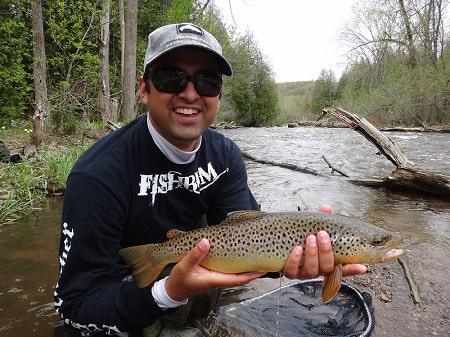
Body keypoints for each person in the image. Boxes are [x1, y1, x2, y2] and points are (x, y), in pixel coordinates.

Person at [54, 23, 366, 336]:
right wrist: (168, 291)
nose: (190, 93)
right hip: (120, 287)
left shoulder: (225, 154)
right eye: (170, 78)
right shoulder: (96, 176)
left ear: (218, 94)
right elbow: (75, 306)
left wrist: (291, 257)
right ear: (144, 89)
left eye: (206, 81)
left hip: (191, 270)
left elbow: (250, 237)